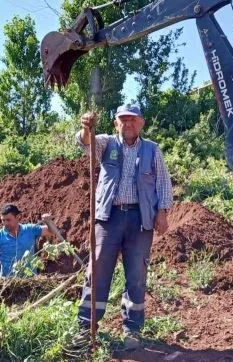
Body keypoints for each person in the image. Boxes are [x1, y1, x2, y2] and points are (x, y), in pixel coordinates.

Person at [69, 104, 173, 352]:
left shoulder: (152, 150)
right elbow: (86, 145)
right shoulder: (106, 144)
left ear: (141, 123)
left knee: (136, 275)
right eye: (123, 120)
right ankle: (86, 327)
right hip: (109, 218)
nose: (128, 124)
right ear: (116, 123)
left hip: (140, 219)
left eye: (132, 120)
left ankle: (132, 330)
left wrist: (163, 213)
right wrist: (86, 128)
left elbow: (163, 183)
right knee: (98, 271)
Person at [0, 204, 52, 282]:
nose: (5, 223)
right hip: (7, 283)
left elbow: (51, 232)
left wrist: (48, 221)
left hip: (31, 282)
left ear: (18, 217)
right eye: (3, 220)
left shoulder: (30, 230)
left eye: (8, 220)